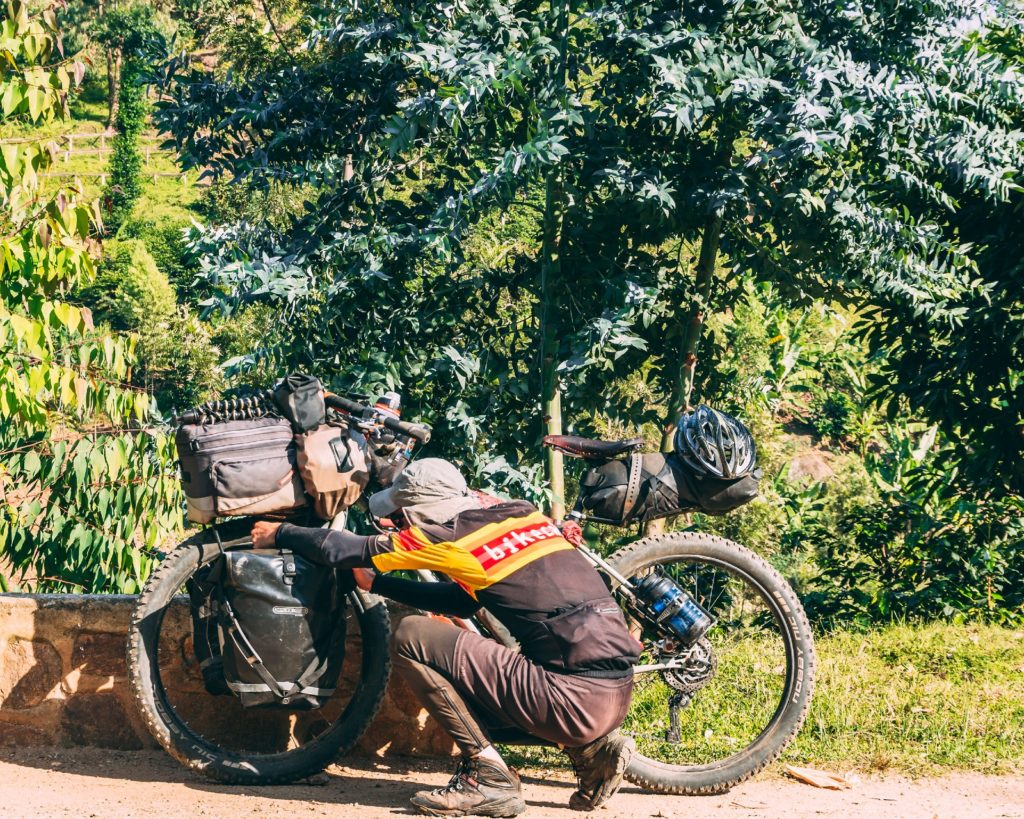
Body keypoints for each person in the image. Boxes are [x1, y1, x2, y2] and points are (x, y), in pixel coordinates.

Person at [251, 457, 641, 817]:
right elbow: (464, 602)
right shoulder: (524, 517)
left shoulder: (450, 537)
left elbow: (345, 548)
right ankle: (592, 753)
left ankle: (488, 778)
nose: (401, 522)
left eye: (403, 514)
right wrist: (381, 585)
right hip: (614, 697)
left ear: (420, 511)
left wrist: (281, 531)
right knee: (467, 674)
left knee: (410, 635)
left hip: (568, 700)